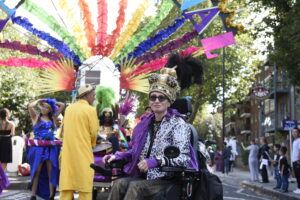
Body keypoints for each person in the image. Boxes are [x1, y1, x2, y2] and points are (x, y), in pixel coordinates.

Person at [103, 53, 203, 200]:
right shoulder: (146, 124)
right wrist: (118, 156)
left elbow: (183, 158)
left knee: (135, 187)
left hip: (167, 178)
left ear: (169, 102)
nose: (156, 101)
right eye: (153, 97)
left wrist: (156, 161)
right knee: (119, 183)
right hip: (146, 177)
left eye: (161, 98)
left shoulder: (178, 124)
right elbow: (138, 152)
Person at [59, 84, 99, 200]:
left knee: (67, 186)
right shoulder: (91, 110)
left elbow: (62, 132)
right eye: (93, 95)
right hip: (83, 152)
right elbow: (94, 133)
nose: (94, 98)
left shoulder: (69, 108)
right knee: (85, 187)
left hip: (68, 154)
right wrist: (92, 143)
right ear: (87, 95)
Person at [27, 99, 65, 200]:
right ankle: (33, 195)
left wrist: (52, 102)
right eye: (43, 106)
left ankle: (51, 195)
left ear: (50, 110)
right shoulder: (35, 117)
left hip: (50, 148)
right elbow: (30, 106)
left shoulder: (53, 118)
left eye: (47, 107)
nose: (44, 108)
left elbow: (62, 105)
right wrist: (39, 100)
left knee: (51, 171)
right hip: (38, 148)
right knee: (37, 171)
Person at [291, 128, 300, 194]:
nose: (294, 133)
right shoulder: (294, 141)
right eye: (293, 132)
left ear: (299, 133)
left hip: (297, 161)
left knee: (299, 175)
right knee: (297, 175)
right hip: (294, 160)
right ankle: (298, 187)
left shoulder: (299, 140)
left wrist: (298, 160)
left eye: (295, 132)